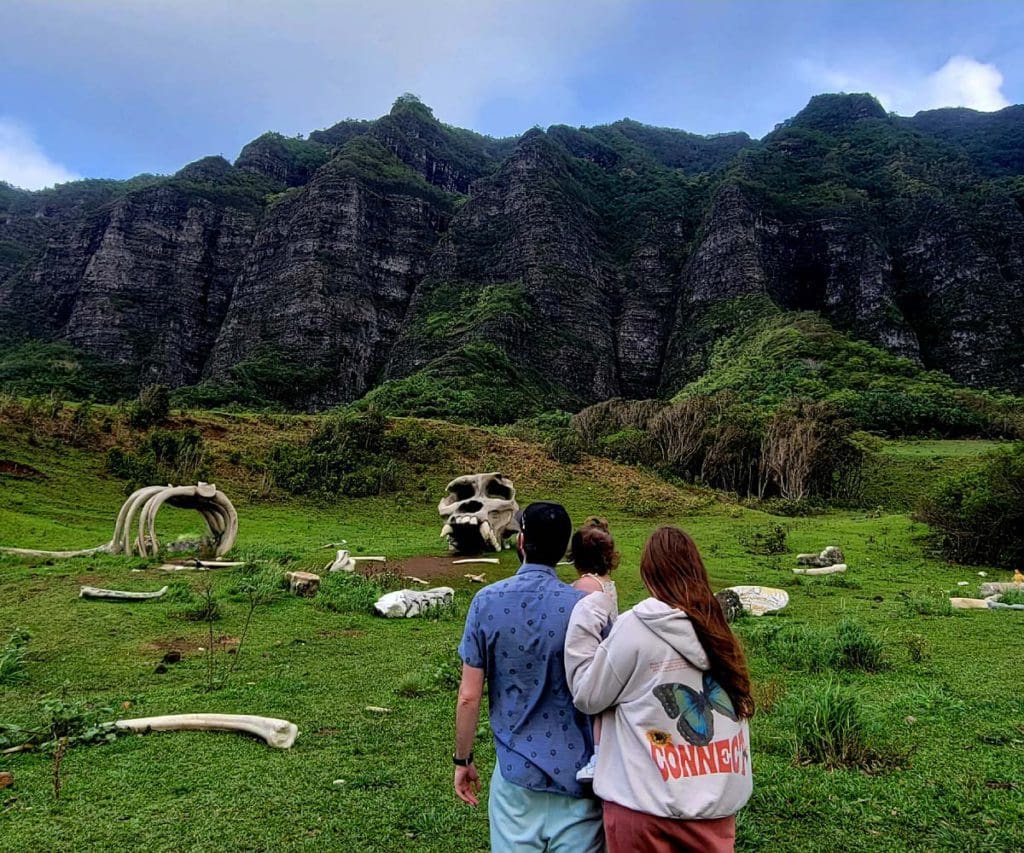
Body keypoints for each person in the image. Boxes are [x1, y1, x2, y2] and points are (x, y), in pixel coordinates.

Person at [564, 526, 754, 852]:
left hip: (641, 804)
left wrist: (584, 622)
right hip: (714, 808)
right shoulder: (717, 628)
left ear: (649, 575)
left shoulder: (635, 627)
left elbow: (588, 695)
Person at [453, 502, 604, 852]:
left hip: (516, 779)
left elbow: (468, 696)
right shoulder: (586, 609)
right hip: (580, 781)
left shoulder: (485, 602)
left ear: (521, 542)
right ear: (564, 550)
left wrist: (463, 760)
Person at [569, 523, 619, 783]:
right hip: (610, 648)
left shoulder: (584, 586)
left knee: (594, 706)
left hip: (593, 647)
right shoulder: (606, 582)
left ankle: (597, 757)